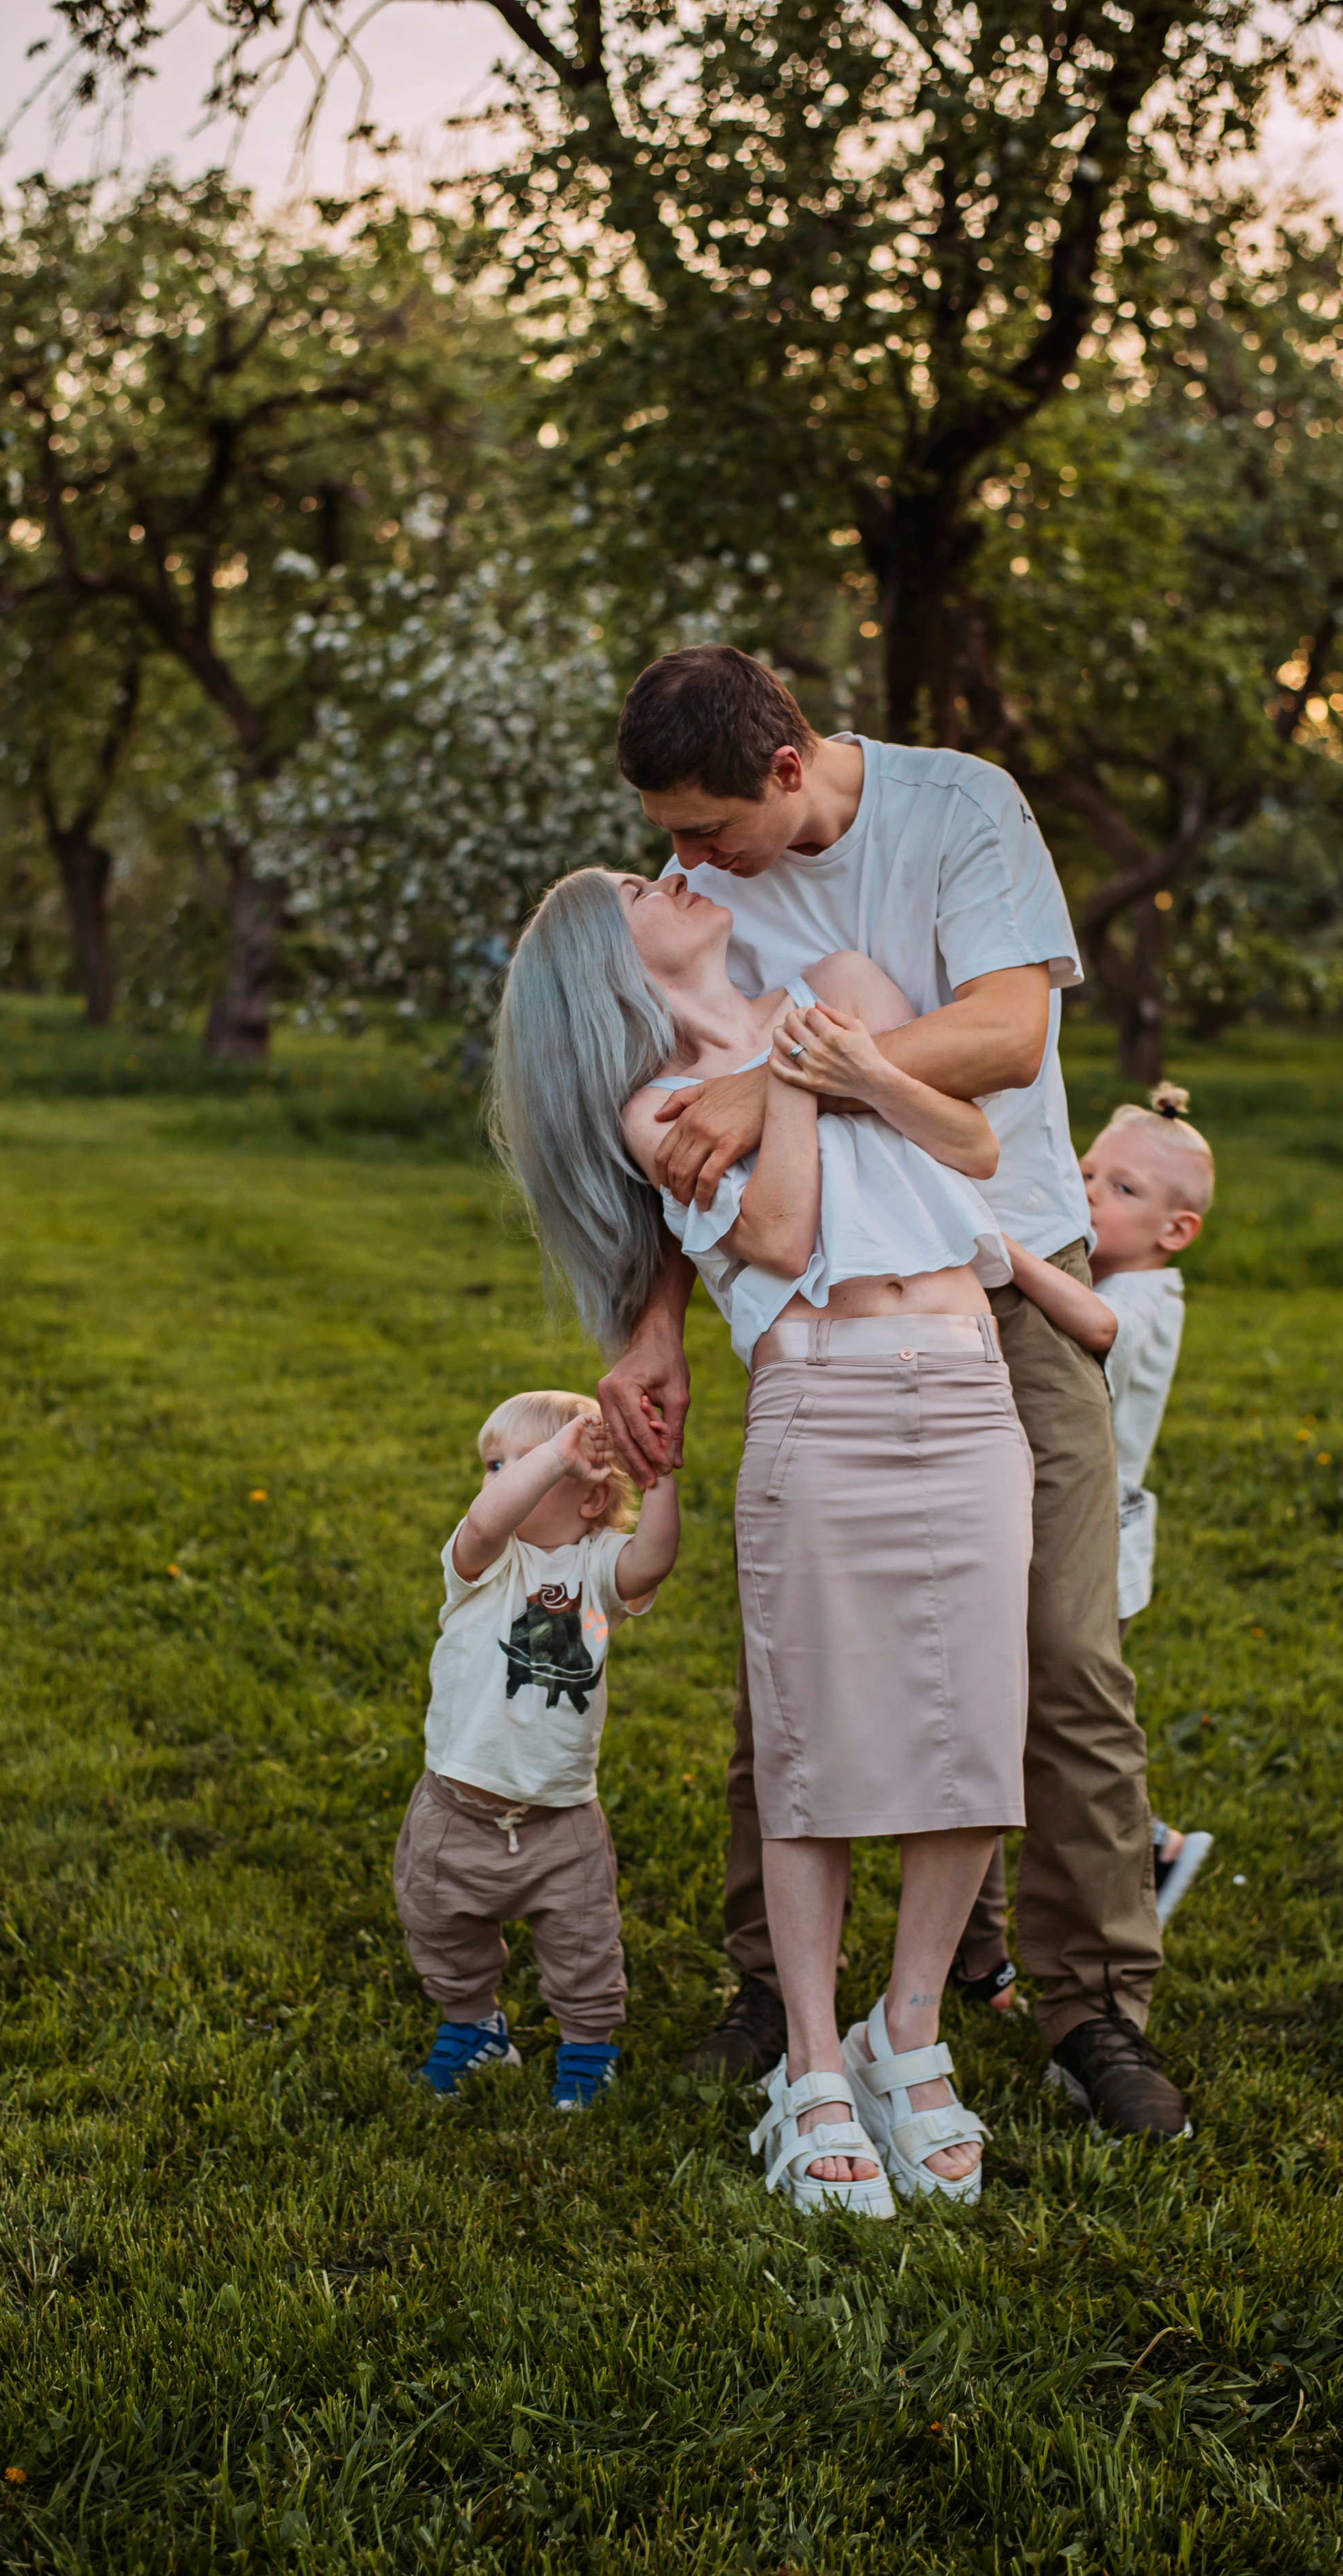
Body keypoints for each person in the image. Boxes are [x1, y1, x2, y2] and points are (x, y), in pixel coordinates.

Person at [596, 644, 1190, 2141]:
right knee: (794, 1664)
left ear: (787, 770)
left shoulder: (955, 810)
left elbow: (1006, 1035)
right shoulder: (693, 893)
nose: (687, 861)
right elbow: (671, 1103)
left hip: (1009, 1262)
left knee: (1056, 1650)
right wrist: (656, 1323)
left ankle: (1086, 2007)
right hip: (815, 1304)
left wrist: (778, 1079)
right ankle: (770, 1997)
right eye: (666, 833)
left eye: (705, 828)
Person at [491, 866, 1034, 2217]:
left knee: (971, 1725)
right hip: (822, 1396)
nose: (667, 872)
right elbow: (783, 1232)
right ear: (603, 972)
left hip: (967, 1385)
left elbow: (972, 1149)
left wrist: (832, 1054)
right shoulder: (657, 1107)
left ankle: (905, 2033)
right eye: (634, 884)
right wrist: (793, 1076)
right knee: (815, 1744)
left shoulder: (844, 992)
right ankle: (807, 2062)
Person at [959, 1086, 1217, 2010]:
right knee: (1027, 1713)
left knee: (1061, 1703)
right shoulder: (1117, 1271)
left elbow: (1096, 1330)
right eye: (1087, 1169)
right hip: (1062, 1521)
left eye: (1122, 1187)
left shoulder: (1148, 1295)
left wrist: (1009, 1251)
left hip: (1101, 1541)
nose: (1090, 1189)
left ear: (1175, 1229)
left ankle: (1149, 1845)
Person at [395, 1389, 679, 2110]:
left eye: (520, 1465)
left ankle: (587, 2046)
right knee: (438, 1924)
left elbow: (651, 1562)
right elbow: (492, 1515)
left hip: (560, 1815)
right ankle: (473, 2025)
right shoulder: (485, 1561)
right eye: (493, 1465)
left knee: (585, 1943)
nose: (498, 1481)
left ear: (588, 1501)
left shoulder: (595, 1567)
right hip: (455, 1805)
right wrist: (555, 1457)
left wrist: (661, 1473)